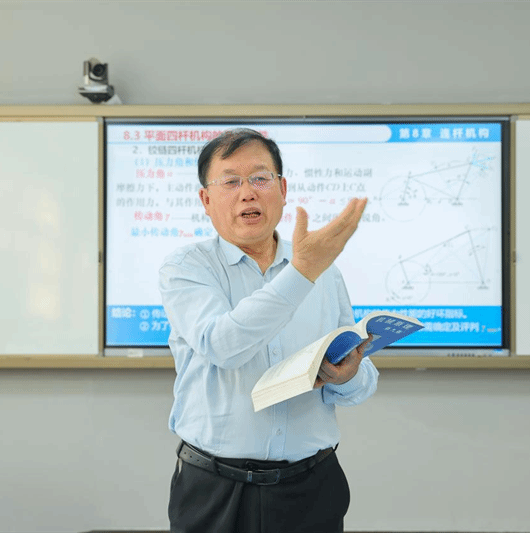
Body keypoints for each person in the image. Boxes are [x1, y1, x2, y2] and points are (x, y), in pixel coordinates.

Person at [159, 128, 379, 533]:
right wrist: (301, 273)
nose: (247, 193)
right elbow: (223, 346)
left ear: (282, 189)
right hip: (215, 490)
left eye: (260, 178)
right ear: (206, 200)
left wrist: (348, 376)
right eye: (230, 181)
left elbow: (360, 380)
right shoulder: (187, 268)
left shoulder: (322, 270)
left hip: (312, 486)